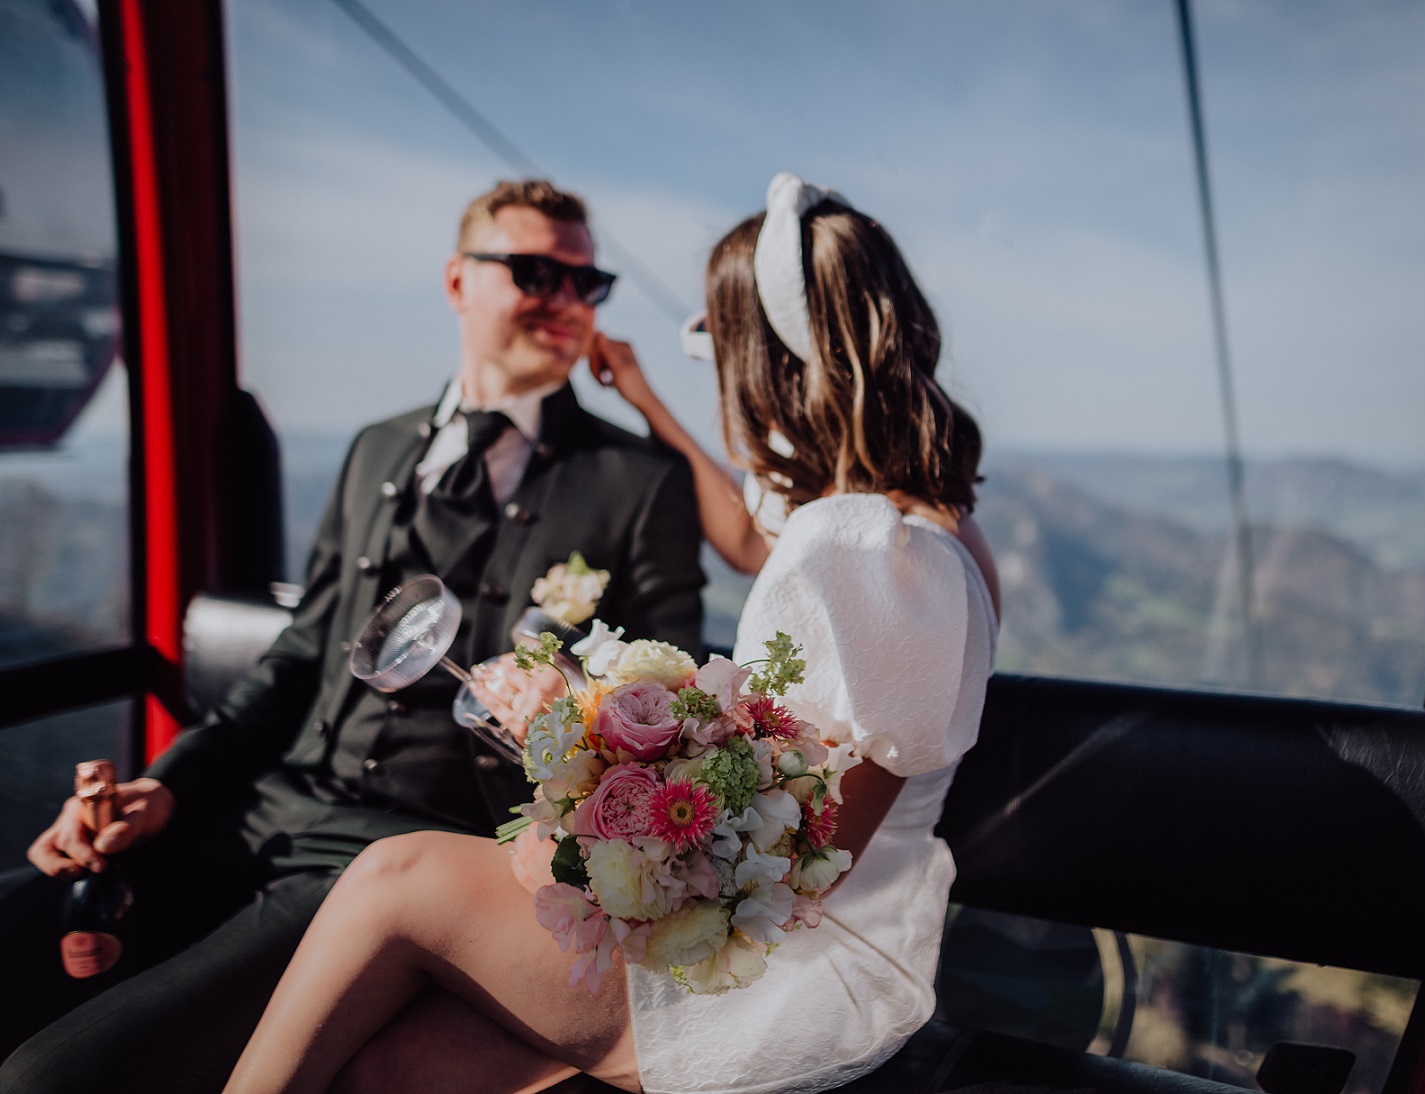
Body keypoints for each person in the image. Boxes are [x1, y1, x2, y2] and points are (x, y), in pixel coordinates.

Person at [222, 172, 1001, 1094]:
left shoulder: (853, 550)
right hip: (832, 936)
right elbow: (764, 549)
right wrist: (641, 395)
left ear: (760, 363)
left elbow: (802, 861)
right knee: (393, 1070)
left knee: (395, 878)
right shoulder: (932, 534)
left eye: (719, 349)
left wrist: (579, 762)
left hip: (781, 968)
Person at [0, 179, 705, 1093]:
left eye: (586, 282)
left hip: (406, 857)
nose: (565, 300)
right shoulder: (377, 448)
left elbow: (668, 709)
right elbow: (294, 664)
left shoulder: (638, 482)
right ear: (458, 282)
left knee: (50, 1078)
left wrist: (571, 702)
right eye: (535, 273)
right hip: (257, 810)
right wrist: (163, 791)